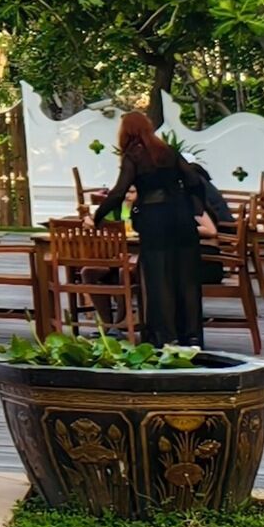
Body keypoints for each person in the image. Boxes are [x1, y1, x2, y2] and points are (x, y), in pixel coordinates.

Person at [91, 107, 234, 348]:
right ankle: (191, 335)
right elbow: (193, 180)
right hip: (181, 219)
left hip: (155, 220)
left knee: (158, 278)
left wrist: (98, 217)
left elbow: (118, 193)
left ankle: (161, 335)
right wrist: (195, 209)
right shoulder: (167, 151)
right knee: (186, 277)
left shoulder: (133, 156)